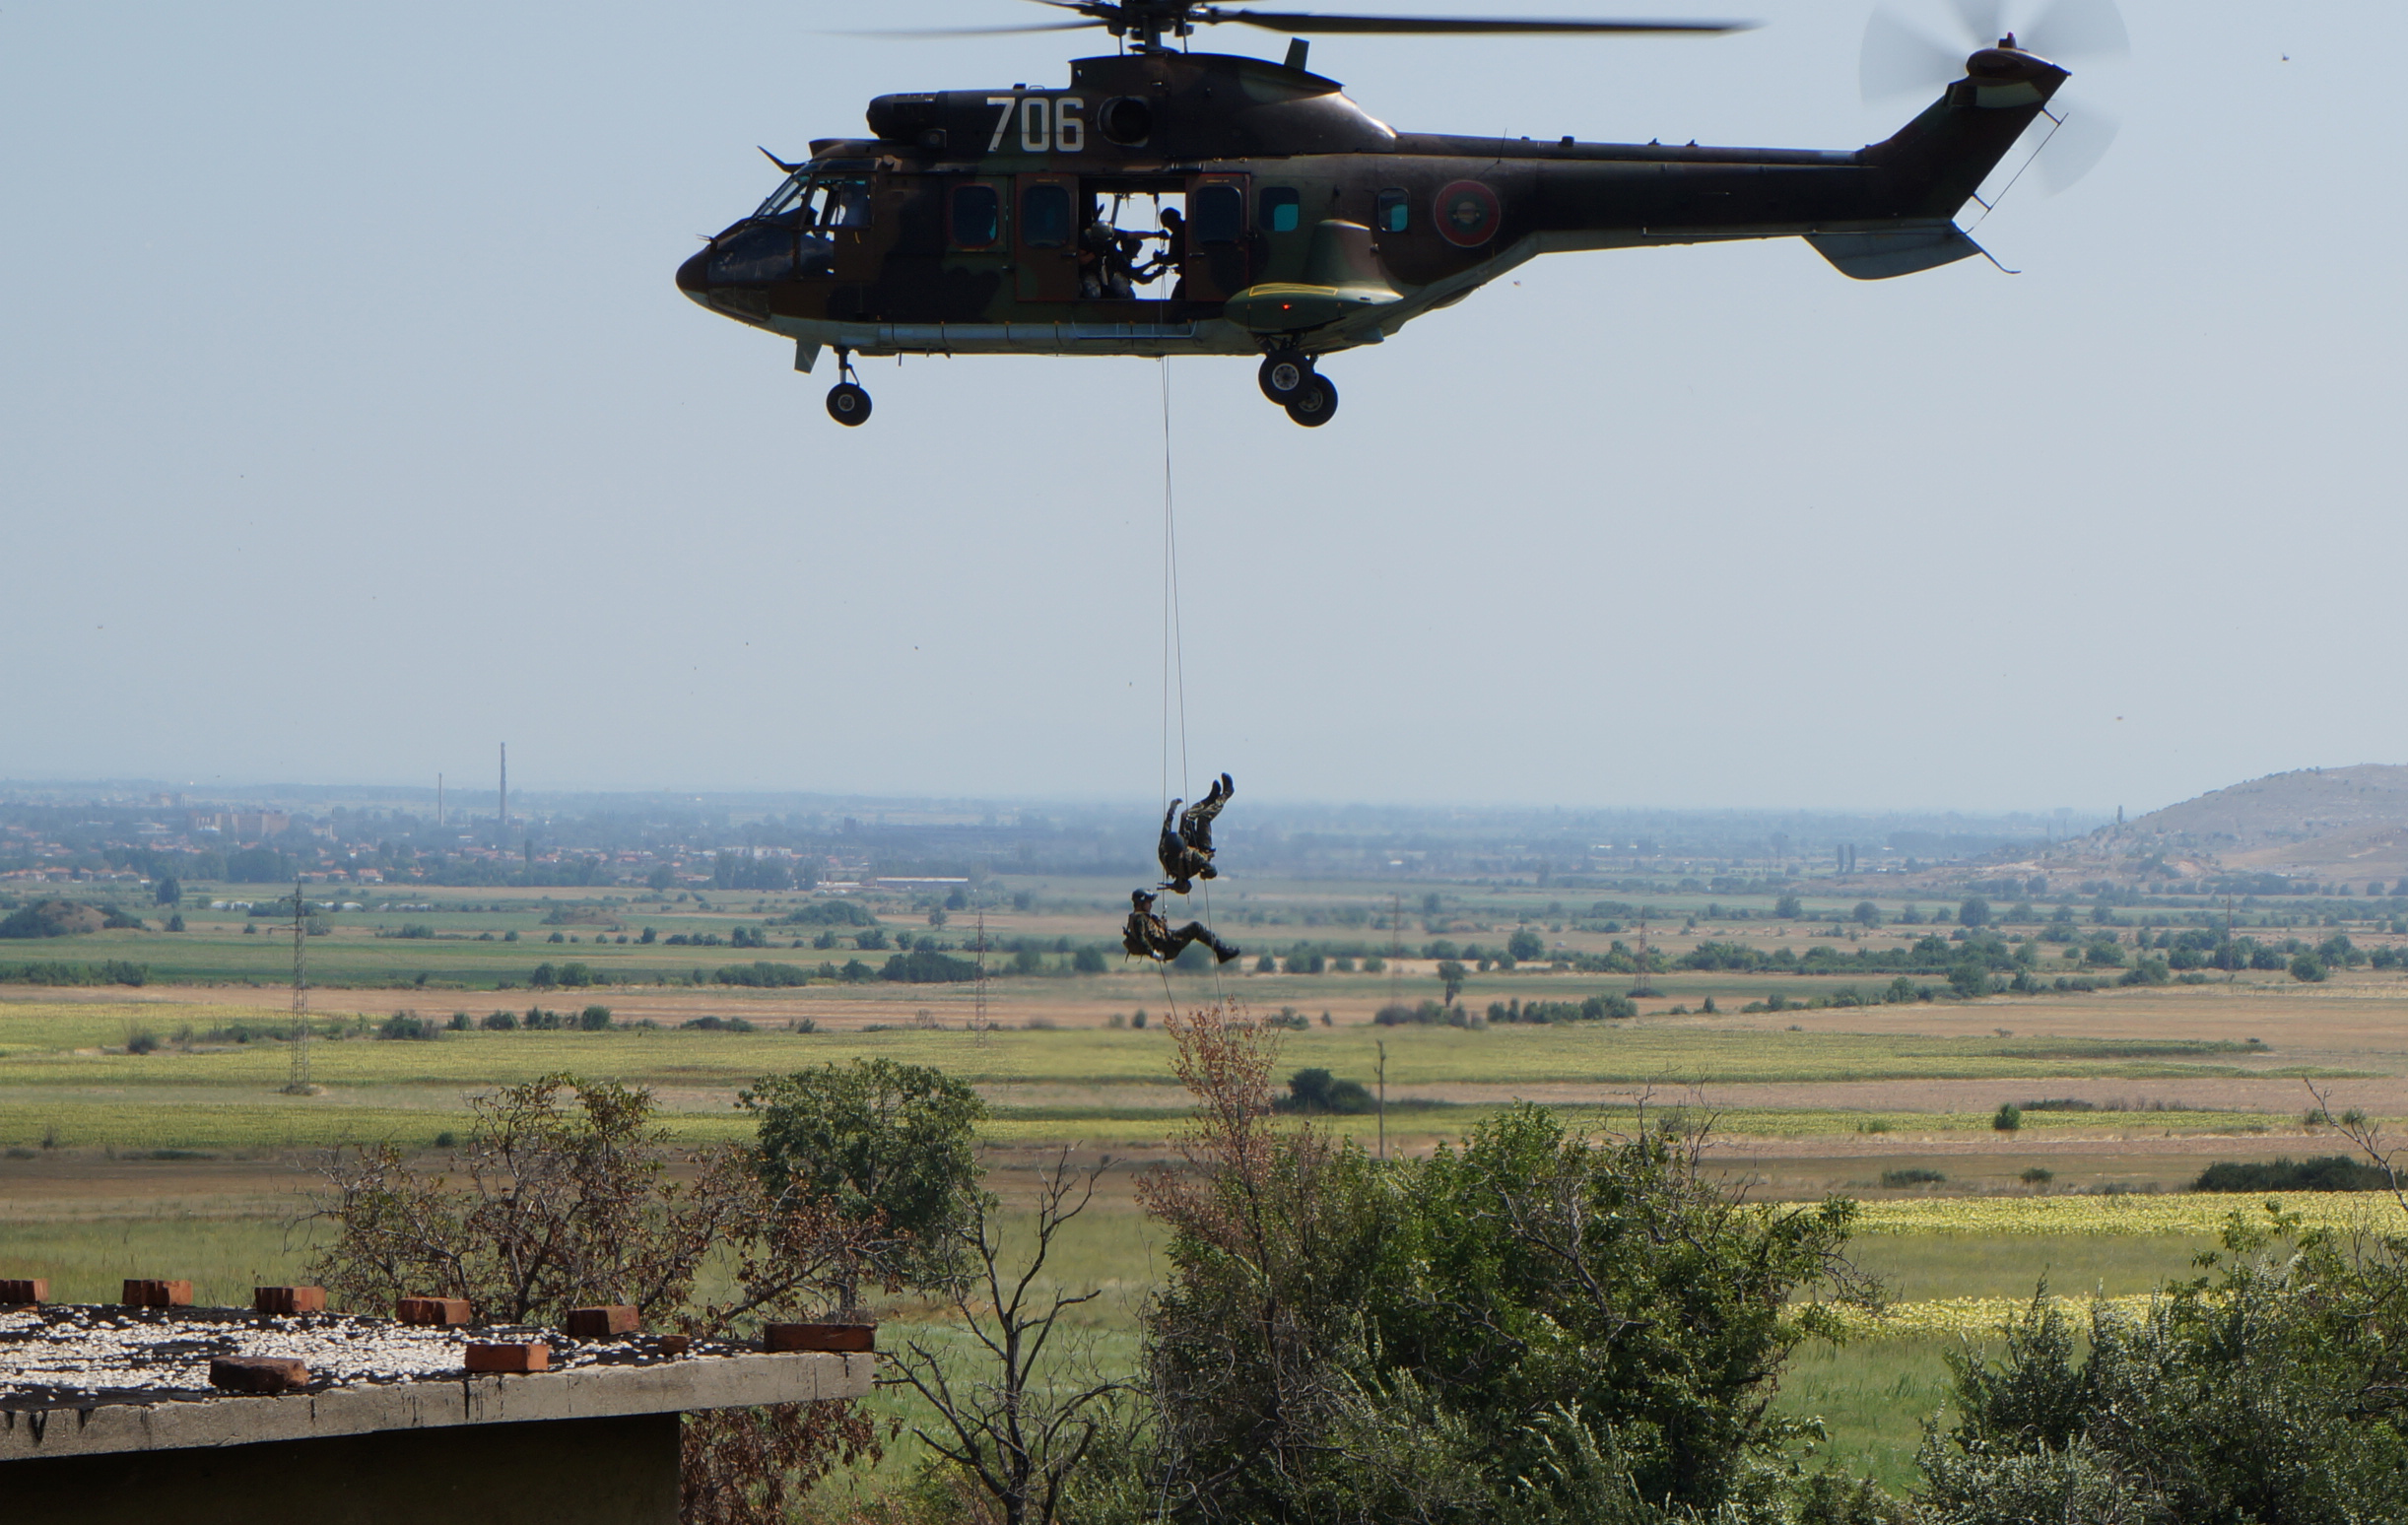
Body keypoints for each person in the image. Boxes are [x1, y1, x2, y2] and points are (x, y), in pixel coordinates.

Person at [1157, 772, 1233, 895]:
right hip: (1202, 847)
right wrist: (1204, 874)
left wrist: (1171, 811)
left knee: (1186, 816)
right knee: (1204, 818)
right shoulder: (1195, 859)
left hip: (1187, 843)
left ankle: (1210, 799)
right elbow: (1212, 871)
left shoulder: (1164, 855)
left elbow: (1165, 832)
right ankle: (1226, 794)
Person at [1122, 889, 1240, 964]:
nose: (1151, 905)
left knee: (1196, 928)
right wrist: (1153, 954)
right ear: (1140, 903)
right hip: (1168, 945)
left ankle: (1220, 950)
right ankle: (1221, 951)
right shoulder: (1139, 919)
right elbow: (1141, 938)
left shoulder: (1143, 917)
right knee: (1196, 927)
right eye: (1148, 902)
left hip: (1167, 942)